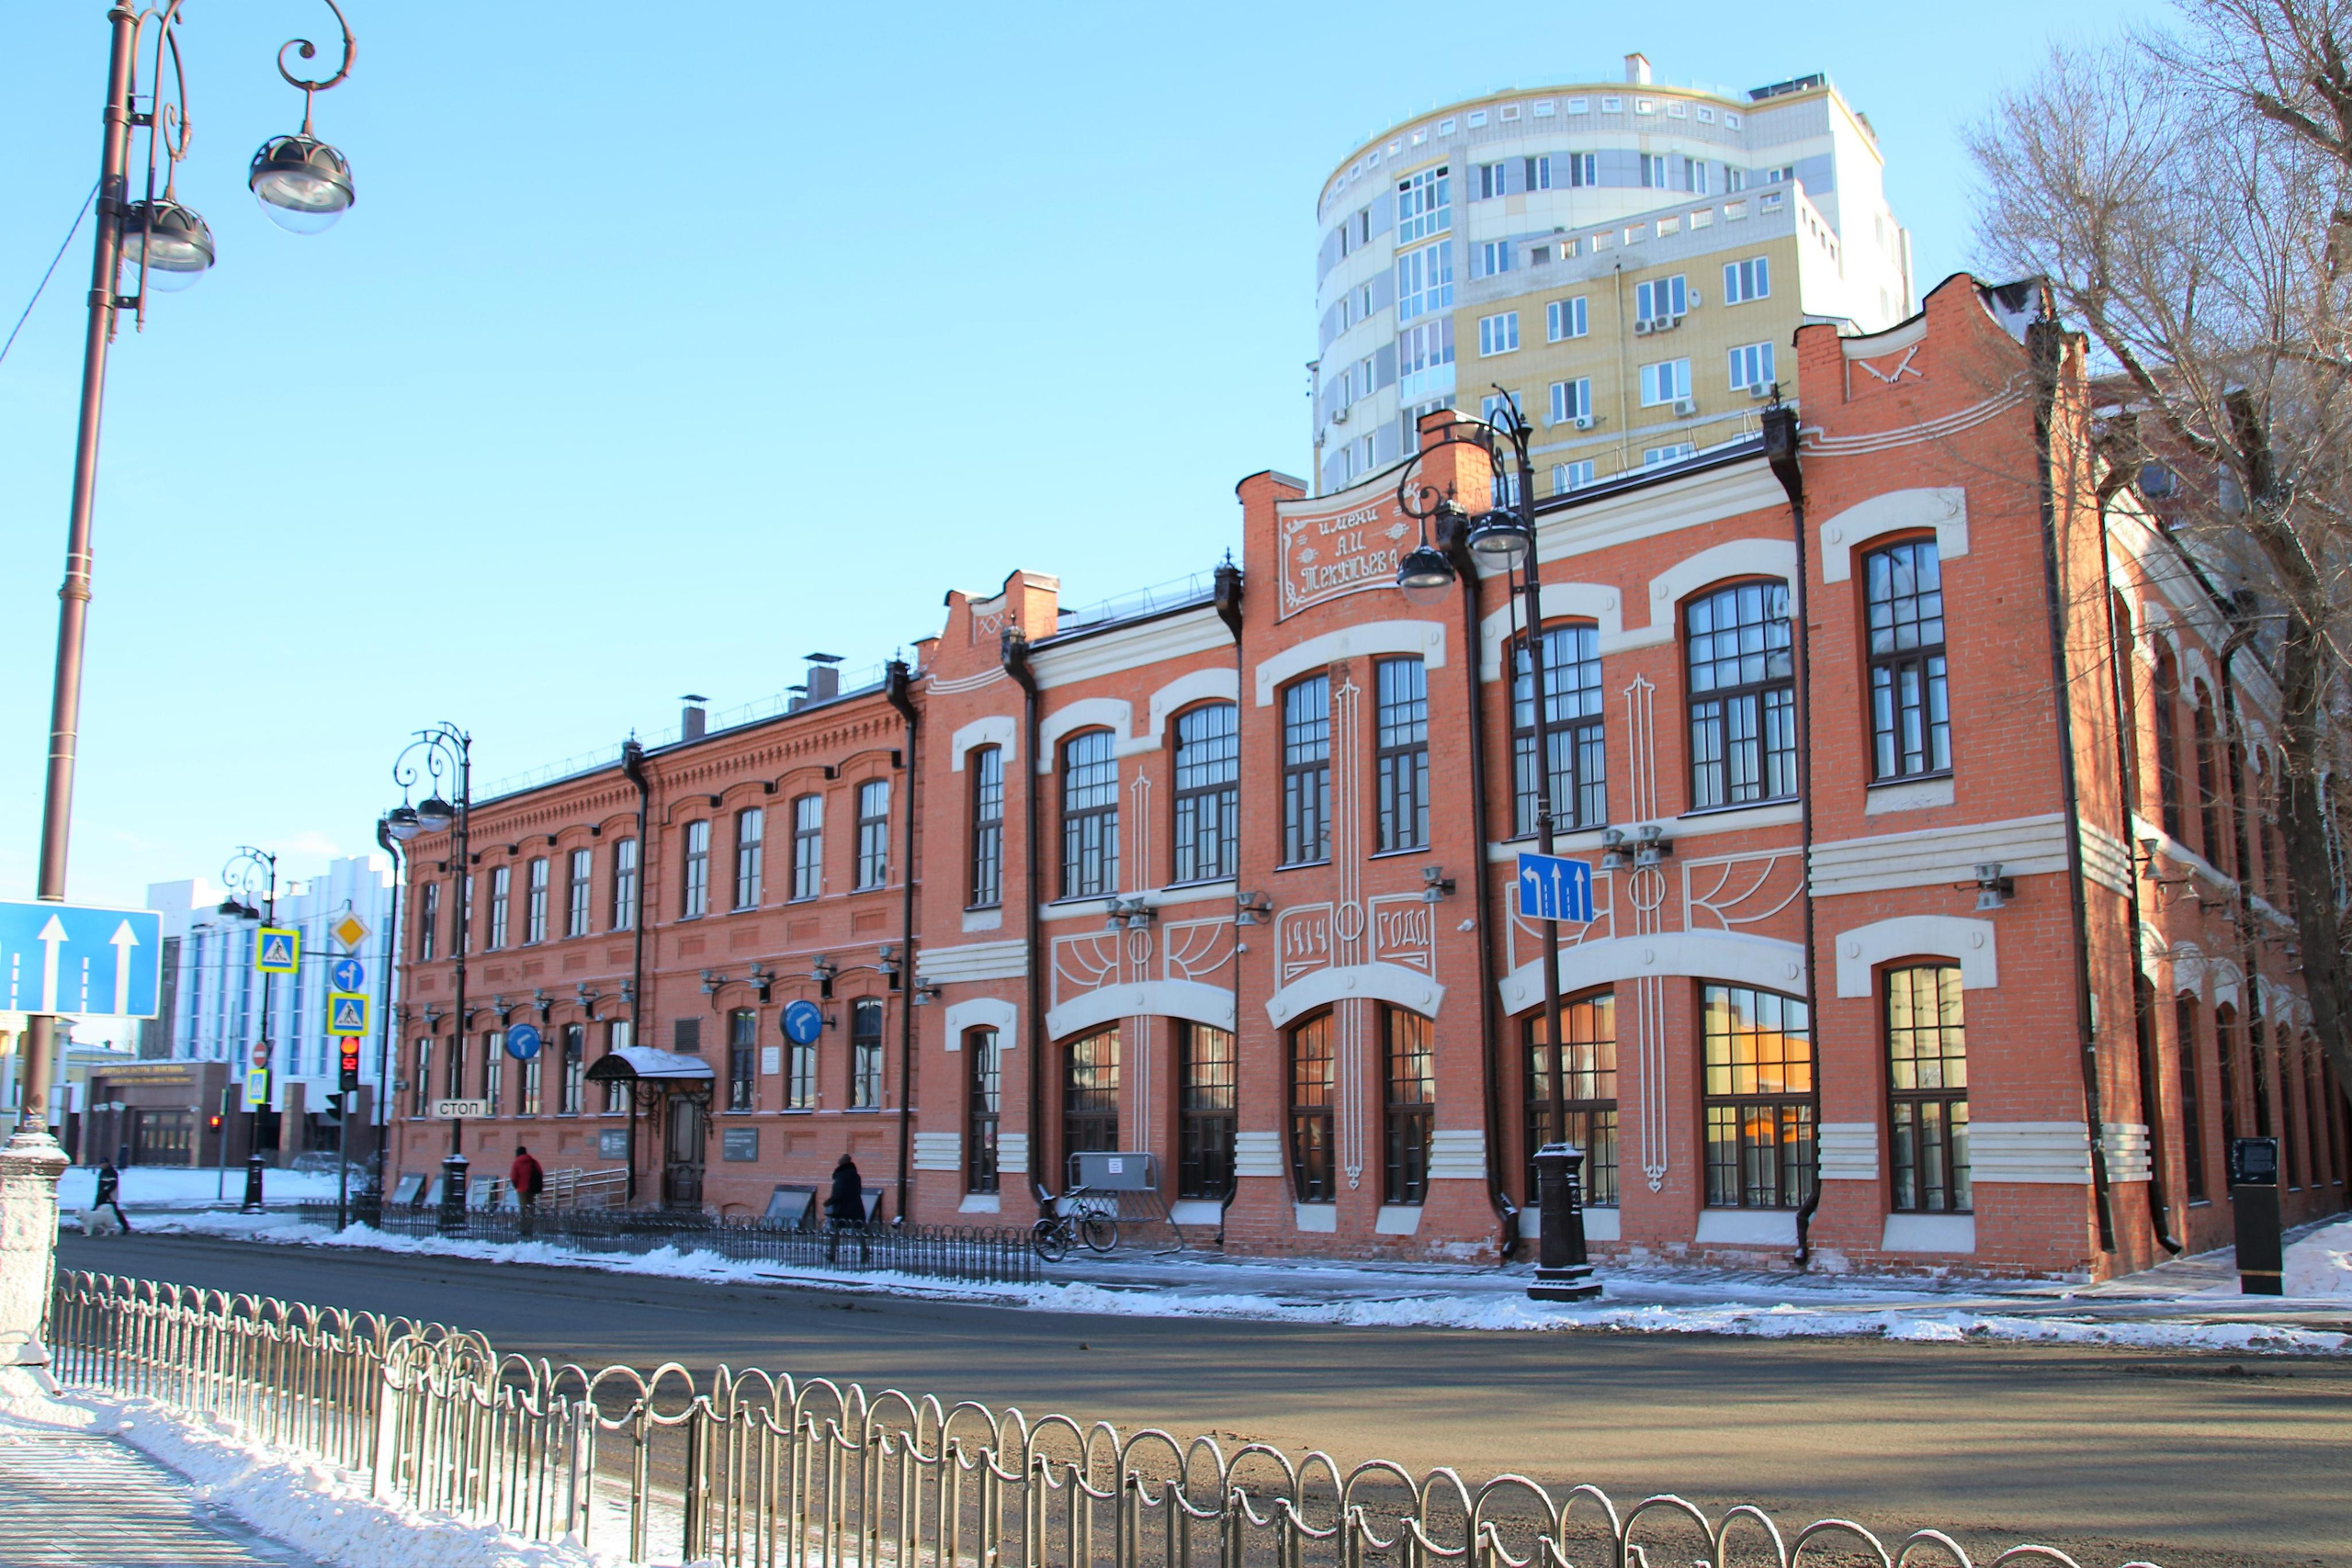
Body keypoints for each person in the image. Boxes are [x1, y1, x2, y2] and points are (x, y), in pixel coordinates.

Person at [825, 1152, 868, 1263]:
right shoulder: (856, 1175)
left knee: (835, 1230)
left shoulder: (841, 1175)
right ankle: (864, 1252)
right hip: (856, 1206)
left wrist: (831, 1201)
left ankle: (832, 1253)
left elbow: (839, 1192)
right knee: (857, 1230)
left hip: (842, 1207)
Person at [509, 1145, 545, 1235]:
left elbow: (513, 1177)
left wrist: (517, 1186)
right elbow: (540, 1173)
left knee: (523, 1210)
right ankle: (530, 1229)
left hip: (522, 1190)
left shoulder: (517, 1163)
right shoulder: (533, 1161)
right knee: (530, 1209)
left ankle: (523, 1230)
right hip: (532, 1189)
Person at [93, 1160, 131, 1233]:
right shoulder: (102, 1173)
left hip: (109, 1196)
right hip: (101, 1194)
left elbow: (113, 1184)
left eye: (103, 1164)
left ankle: (125, 1226)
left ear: (107, 1164)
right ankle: (89, 1226)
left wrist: (106, 1191)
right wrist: (99, 1193)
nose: (102, 1166)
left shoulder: (112, 1172)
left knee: (115, 1211)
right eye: (101, 1164)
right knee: (95, 1209)